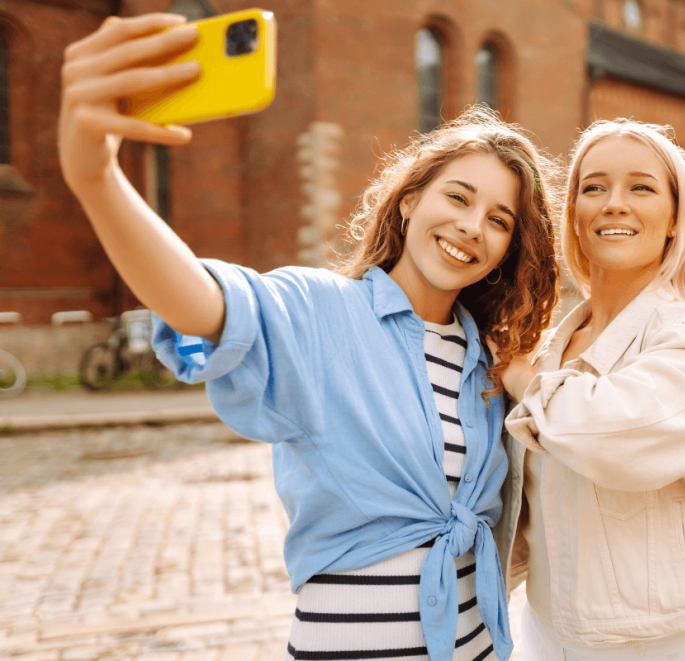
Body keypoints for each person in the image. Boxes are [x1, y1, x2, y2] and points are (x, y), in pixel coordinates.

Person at [58, 14, 560, 661]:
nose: (472, 226)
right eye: (458, 197)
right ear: (409, 201)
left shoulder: (486, 359)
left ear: (506, 251)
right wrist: (96, 180)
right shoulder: (323, 312)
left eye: (499, 220)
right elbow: (205, 302)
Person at [491, 120, 685, 661]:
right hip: (544, 632)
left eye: (641, 187)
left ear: (675, 217)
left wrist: (519, 377)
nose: (614, 203)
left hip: (655, 645)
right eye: (593, 187)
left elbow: (607, 436)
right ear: (574, 216)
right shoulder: (554, 343)